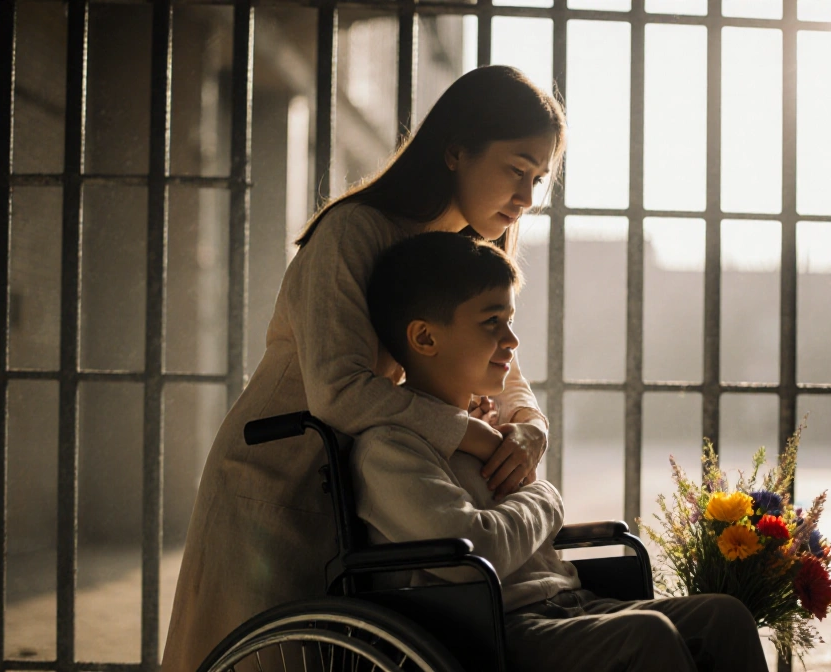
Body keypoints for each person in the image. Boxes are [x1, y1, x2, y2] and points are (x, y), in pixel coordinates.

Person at [161, 65, 562, 672]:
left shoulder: (467, 252)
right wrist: (474, 434)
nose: (527, 198)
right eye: (516, 170)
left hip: (364, 490)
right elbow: (339, 391)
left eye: (540, 178)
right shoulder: (355, 232)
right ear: (455, 151)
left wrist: (529, 429)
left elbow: (501, 365)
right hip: (278, 481)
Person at [355, 231, 770, 672]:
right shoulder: (390, 449)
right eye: (491, 322)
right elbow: (480, 550)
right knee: (645, 637)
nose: (511, 341)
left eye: (510, 320)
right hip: (496, 631)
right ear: (424, 338)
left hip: (571, 605)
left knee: (724, 617)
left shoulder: (489, 429)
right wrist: (546, 497)